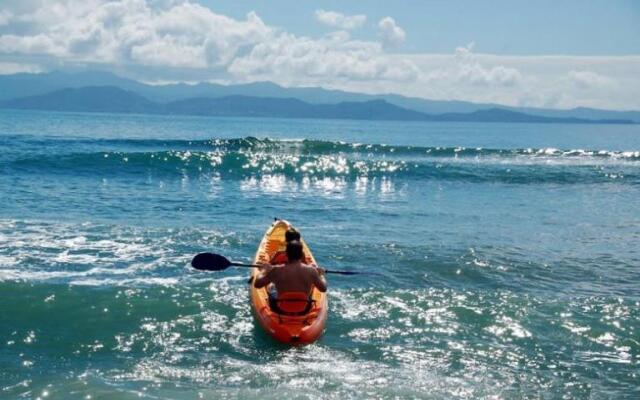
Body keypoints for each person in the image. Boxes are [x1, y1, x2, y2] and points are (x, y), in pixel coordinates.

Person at [254, 240, 327, 313]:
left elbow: (257, 284)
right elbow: (323, 289)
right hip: (304, 308)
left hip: (280, 308)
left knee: (271, 288)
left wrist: (264, 270)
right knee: (309, 291)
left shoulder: (277, 270)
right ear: (301, 254)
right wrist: (321, 275)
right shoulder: (312, 271)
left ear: (286, 254)